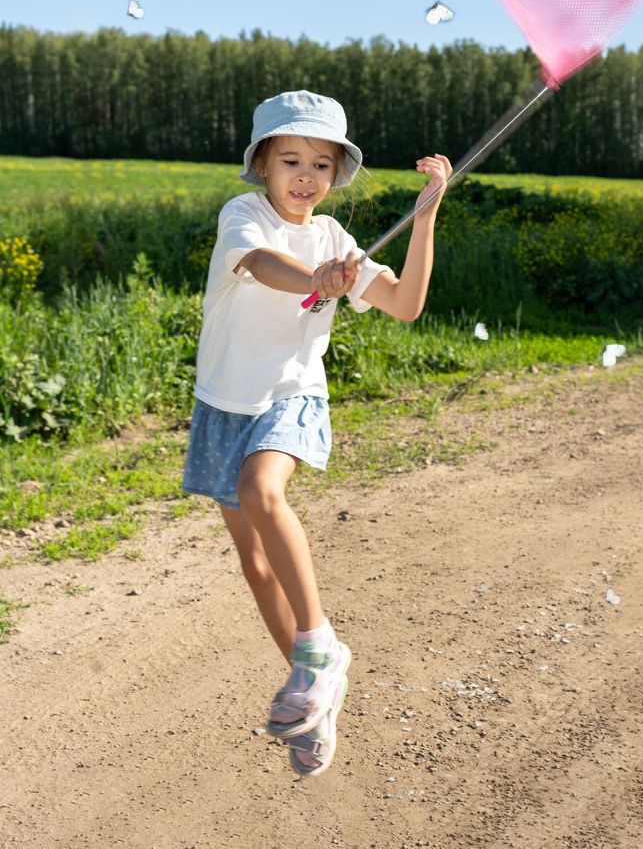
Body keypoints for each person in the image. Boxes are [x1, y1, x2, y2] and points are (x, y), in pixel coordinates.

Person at [182, 90, 450, 777]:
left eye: (322, 164)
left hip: (290, 397)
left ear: (337, 174)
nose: (306, 176)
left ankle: (323, 652)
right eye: (291, 159)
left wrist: (423, 222)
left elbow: (405, 305)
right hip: (222, 406)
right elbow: (264, 267)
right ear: (263, 165)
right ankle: (313, 695)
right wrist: (318, 278)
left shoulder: (338, 240)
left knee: (263, 492)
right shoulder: (242, 216)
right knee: (255, 564)